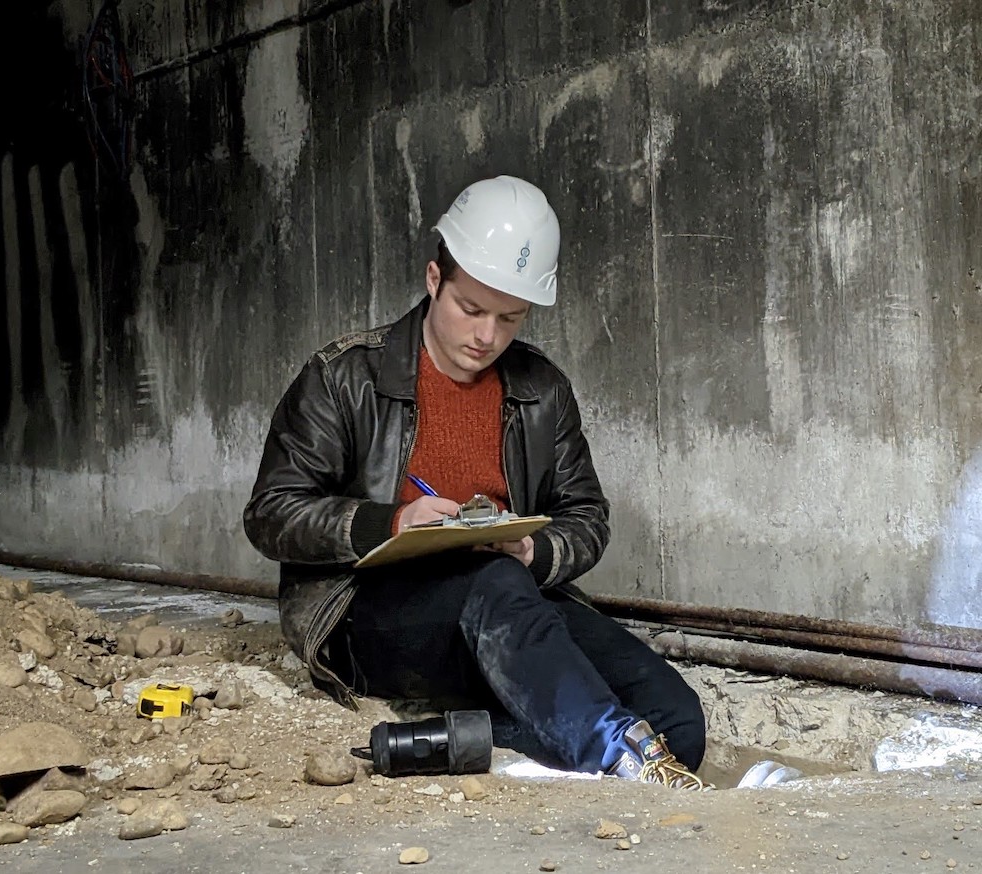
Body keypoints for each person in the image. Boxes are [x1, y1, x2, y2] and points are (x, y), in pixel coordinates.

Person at [243, 175, 709, 789]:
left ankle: (445, 743)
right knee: (493, 584)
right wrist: (391, 522)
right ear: (435, 280)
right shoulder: (343, 377)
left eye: (509, 318)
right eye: (471, 309)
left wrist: (531, 549)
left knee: (678, 720)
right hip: (368, 618)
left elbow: (587, 517)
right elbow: (271, 512)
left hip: (509, 610)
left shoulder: (542, 390)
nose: (486, 336)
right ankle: (616, 754)